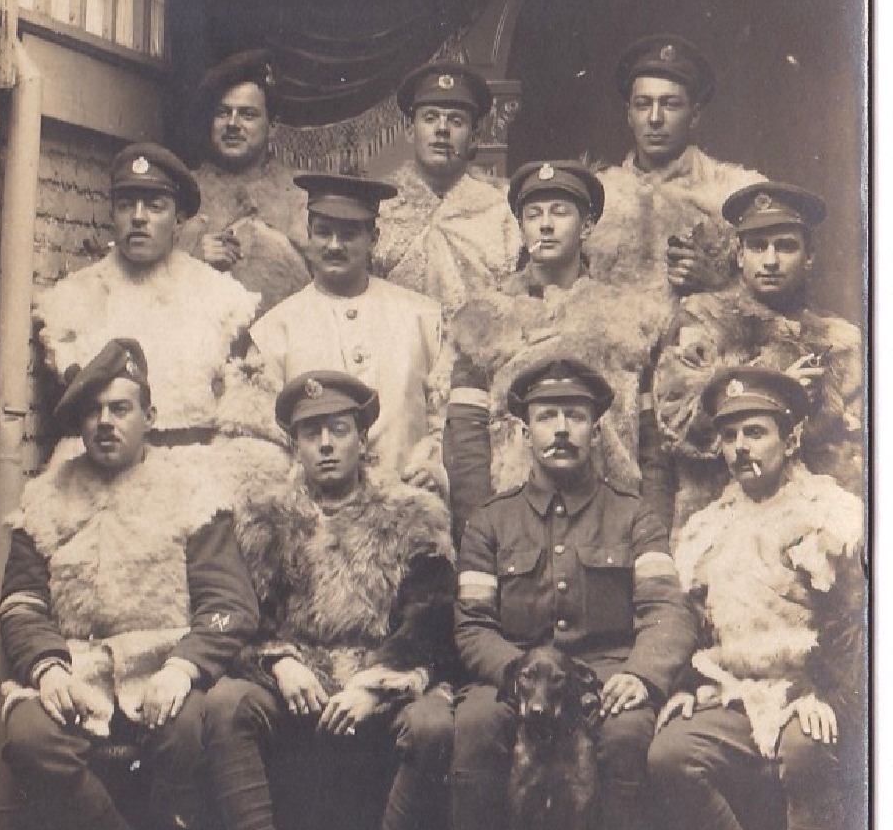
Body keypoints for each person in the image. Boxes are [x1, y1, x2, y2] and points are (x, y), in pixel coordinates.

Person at [415, 357, 696, 830]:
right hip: (517, 679)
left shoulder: (633, 515)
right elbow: (472, 624)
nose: (562, 429)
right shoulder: (492, 521)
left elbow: (666, 613)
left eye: (576, 415)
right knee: (476, 725)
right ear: (524, 432)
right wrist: (519, 674)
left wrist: (642, 676)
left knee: (627, 734)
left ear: (598, 429)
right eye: (547, 416)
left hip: (602, 677)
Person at [0, 339, 260, 830]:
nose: (106, 423)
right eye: (93, 412)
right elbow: (21, 604)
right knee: (30, 734)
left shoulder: (191, 493)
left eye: (121, 408)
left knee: (187, 724)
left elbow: (230, 604)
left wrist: (186, 665)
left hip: (162, 664)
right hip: (80, 667)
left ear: (150, 416)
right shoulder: (47, 497)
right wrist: (46, 665)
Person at [201, 371, 456, 830]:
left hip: (381, 682)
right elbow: (241, 616)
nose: (325, 444)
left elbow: (433, 620)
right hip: (298, 686)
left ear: (362, 439)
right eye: (311, 432)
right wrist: (280, 662)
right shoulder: (263, 519)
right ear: (294, 444)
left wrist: (375, 684)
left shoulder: (412, 516)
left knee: (434, 727)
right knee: (225, 706)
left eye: (338, 430)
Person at [648, 369, 863, 830]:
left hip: (816, 688)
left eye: (757, 432)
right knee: (670, 754)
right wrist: (689, 682)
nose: (742, 448)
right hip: (737, 691)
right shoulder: (708, 526)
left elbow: (856, 620)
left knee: (805, 748)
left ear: (790, 438)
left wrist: (826, 693)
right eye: (731, 435)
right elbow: (693, 623)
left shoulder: (830, 512)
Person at [441, 160, 662, 541]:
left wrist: (651, 530)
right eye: (533, 214)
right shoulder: (484, 321)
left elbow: (653, 446)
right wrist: (480, 533)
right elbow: (467, 443)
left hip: (611, 522)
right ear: (521, 227)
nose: (545, 225)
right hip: (515, 522)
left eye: (559, 212)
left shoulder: (631, 318)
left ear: (587, 227)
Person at [651, 181, 863, 535]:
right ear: (738, 255)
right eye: (757, 246)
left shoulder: (841, 343)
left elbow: (862, 453)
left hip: (814, 531)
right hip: (717, 524)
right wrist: (776, 386)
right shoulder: (702, 321)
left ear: (809, 257)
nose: (770, 260)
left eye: (785, 247)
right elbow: (677, 421)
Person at [35, 142, 259, 444]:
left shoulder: (220, 299)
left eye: (155, 206)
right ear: (112, 212)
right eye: (127, 204)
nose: (139, 218)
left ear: (178, 217)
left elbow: (242, 414)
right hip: (101, 476)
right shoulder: (73, 299)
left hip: (191, 471)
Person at [247, 172, 444, 482]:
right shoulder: (274, 330)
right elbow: (262, 438)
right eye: (324, 232)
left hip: (409, 505)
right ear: (309, 234)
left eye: (349, 234)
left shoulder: (423, 317)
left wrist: (434, 467)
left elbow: (445, 419)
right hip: (317, 516)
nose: (334, 246)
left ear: (373, 239)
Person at [585, 35, 764, 325]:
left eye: (670, 104)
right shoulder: (596, 194)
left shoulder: (735, 193)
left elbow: (779, 298)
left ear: (694, 115)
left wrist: (719, 285)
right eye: (643, 104)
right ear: (629, 115)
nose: (655, 118)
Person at [370, 63, 520, 314]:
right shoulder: (380, 206)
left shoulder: (502, 212)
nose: (442, 129)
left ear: (473, 137)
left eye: (456, 121)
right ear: (410, 131)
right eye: (430, 118)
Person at [176, 49, 311, 314]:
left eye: (248, 114)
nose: (233, 124)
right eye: (223, 113)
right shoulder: (180, 193)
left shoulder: (301, 197)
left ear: (273, 127)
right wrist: (191, 262)